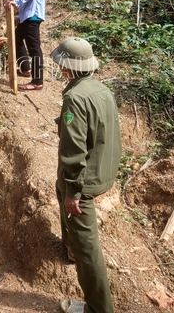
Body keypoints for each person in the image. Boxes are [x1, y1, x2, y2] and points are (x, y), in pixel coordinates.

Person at [50, 37, 122, 313]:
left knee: (89, 249)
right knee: (61, 190)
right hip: (101, 170)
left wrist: (74, 192)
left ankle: (99, 308)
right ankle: (70, 248)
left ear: (68, 68)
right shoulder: (102, 90)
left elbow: (74, 151)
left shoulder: (74, 99)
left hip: (85, 182)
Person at [4, 0, 47, 91]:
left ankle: (37, 81)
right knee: (16, 38)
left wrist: (16, 2)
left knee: (34, 48)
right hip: (28, 15)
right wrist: (20, 16)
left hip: (33, 15)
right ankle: (25, 69)